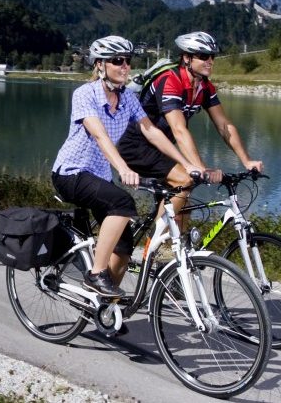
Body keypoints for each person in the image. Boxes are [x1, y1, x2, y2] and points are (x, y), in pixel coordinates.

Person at [51, 36, 205, 298]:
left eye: (127, 61)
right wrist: (123, 168)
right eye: (117, 61)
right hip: (71, 173)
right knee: (123, 203)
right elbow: (99, 135)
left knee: (123, 247)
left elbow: (152, 132)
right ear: (100, 65)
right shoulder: (84, 94)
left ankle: (103, 307)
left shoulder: (128, 98)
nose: (125, 66)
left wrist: (186, 164)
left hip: (97, 177)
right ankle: (96, 275)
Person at [117, 31, 264, 245]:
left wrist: (246, 160)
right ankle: (153, 245)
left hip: (162, 148)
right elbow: (179, 129)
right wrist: (201, 167)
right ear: (187, 58)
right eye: (204, 56)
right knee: (184, 179)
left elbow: (224, 125)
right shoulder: (169, 81)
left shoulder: (203, 86)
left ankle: (182, 252)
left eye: (212, 56)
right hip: (135, 145)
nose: (210, 61)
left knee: (186, 188)